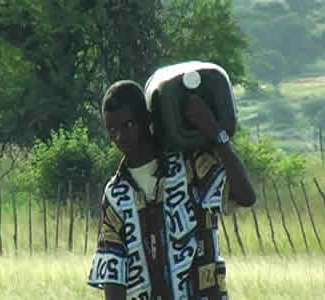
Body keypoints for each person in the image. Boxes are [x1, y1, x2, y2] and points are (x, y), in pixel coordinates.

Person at [88, 79, 256, 300]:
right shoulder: (115, 195)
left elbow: (246, 196)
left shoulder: (190, 168)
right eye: (112, 129)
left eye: (128, 125)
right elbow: (113, 270)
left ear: (146, 120)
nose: (119, 137)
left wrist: (215, 133)